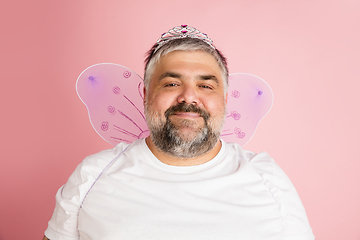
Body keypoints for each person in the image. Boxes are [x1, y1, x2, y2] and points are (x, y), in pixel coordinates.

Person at [43, 25, 315, 240]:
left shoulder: (267, 178)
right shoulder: (92, 175)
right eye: (172, 83)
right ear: (147, 95)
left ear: (225, 99)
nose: (189, 97)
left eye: (206, 86)